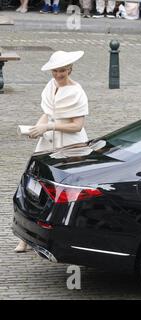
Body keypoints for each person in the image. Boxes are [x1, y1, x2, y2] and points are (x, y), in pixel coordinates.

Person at [14, 51, 89, 253]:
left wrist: (48, 127)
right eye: (55, 70)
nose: (58, 74)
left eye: (62, 71)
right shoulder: (51, 86)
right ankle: (26, 235)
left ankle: (61, 237)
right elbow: (47, 113)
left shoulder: (77, 92)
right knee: (33, 186)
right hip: (48, 142)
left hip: (69, 146)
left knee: (62, 193)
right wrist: (36, 128)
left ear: (70, 69)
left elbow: (77, 125)